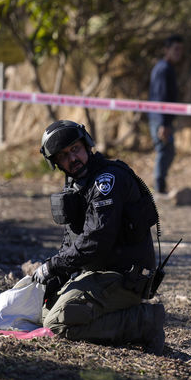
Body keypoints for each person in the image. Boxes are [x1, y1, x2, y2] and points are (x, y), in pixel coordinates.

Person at [34, 119, 165, 355]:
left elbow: (96, 239)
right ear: (56, 163)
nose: (72, 159)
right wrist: (57, 276)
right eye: (64, 156)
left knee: (57, 324)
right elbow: (73, 238)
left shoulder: (107, 181)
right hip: (99, 274)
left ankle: (145, 322)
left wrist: (53, 266)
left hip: (125, 276)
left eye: (75, 149)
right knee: (42, 310)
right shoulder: (77, 183)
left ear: (87, 145)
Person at [148, 34, 184, 194]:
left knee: (167, 150)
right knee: (165, 150)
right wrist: (164, 123)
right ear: (167, 50)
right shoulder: (164, 69)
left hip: (160, 118)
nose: (179, 52)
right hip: (159, 119)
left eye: (180, 49)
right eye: (175, 49)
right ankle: (159, 185)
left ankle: (159, 184)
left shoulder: (165, 67)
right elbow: (161, 97)